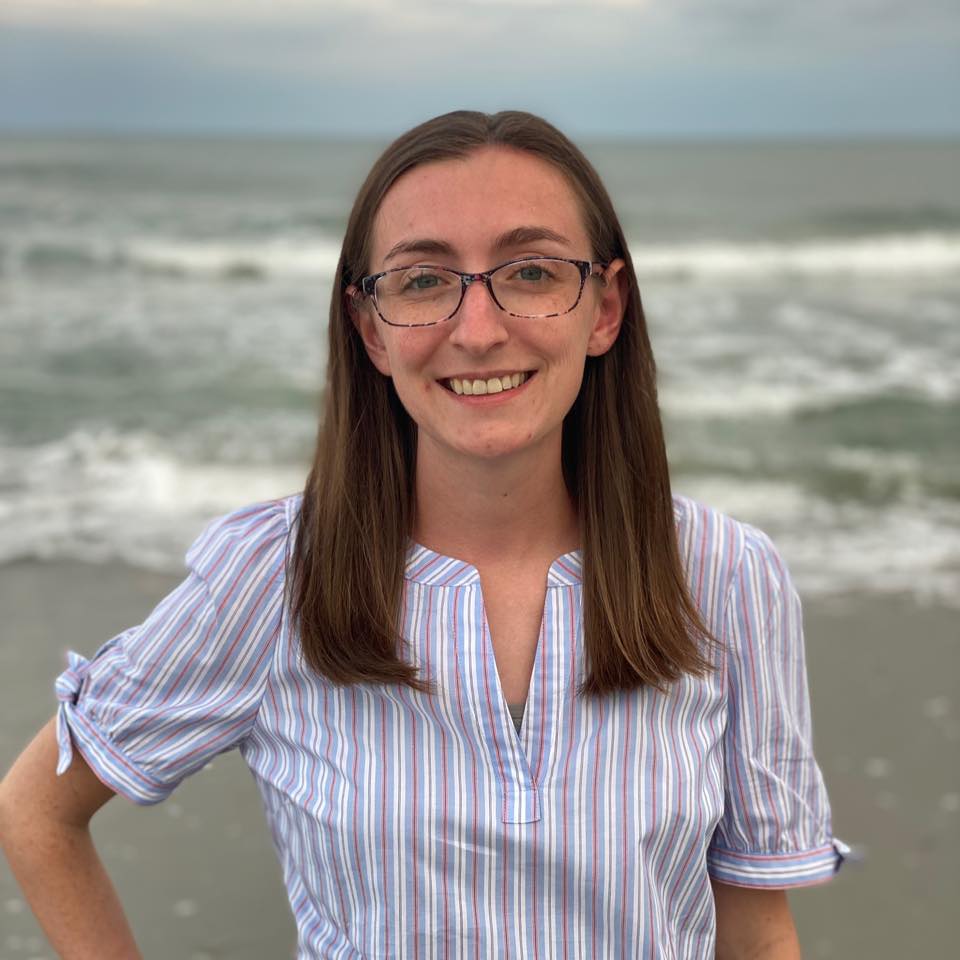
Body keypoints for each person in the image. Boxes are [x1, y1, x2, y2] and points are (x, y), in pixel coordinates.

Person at [0, 110, 848, 958]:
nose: (477, 331)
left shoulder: (725, 576)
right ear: (370, 329)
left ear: (604, 308)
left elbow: (757, 931)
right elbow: (37, 811)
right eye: (422, 281)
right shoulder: (276, 579)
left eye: (532, 271)